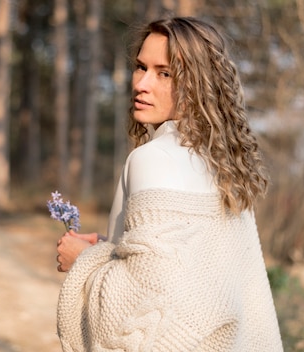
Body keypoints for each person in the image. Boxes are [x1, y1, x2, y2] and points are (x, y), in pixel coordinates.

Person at [55, 16, 283, 351]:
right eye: (140, 67)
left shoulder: (151, 158)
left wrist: (84, 259)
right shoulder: (221, 161)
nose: (141, 84)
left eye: (165, 73)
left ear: (197, 83)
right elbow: (190, 277)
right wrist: (115, 247)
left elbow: (142, 313)